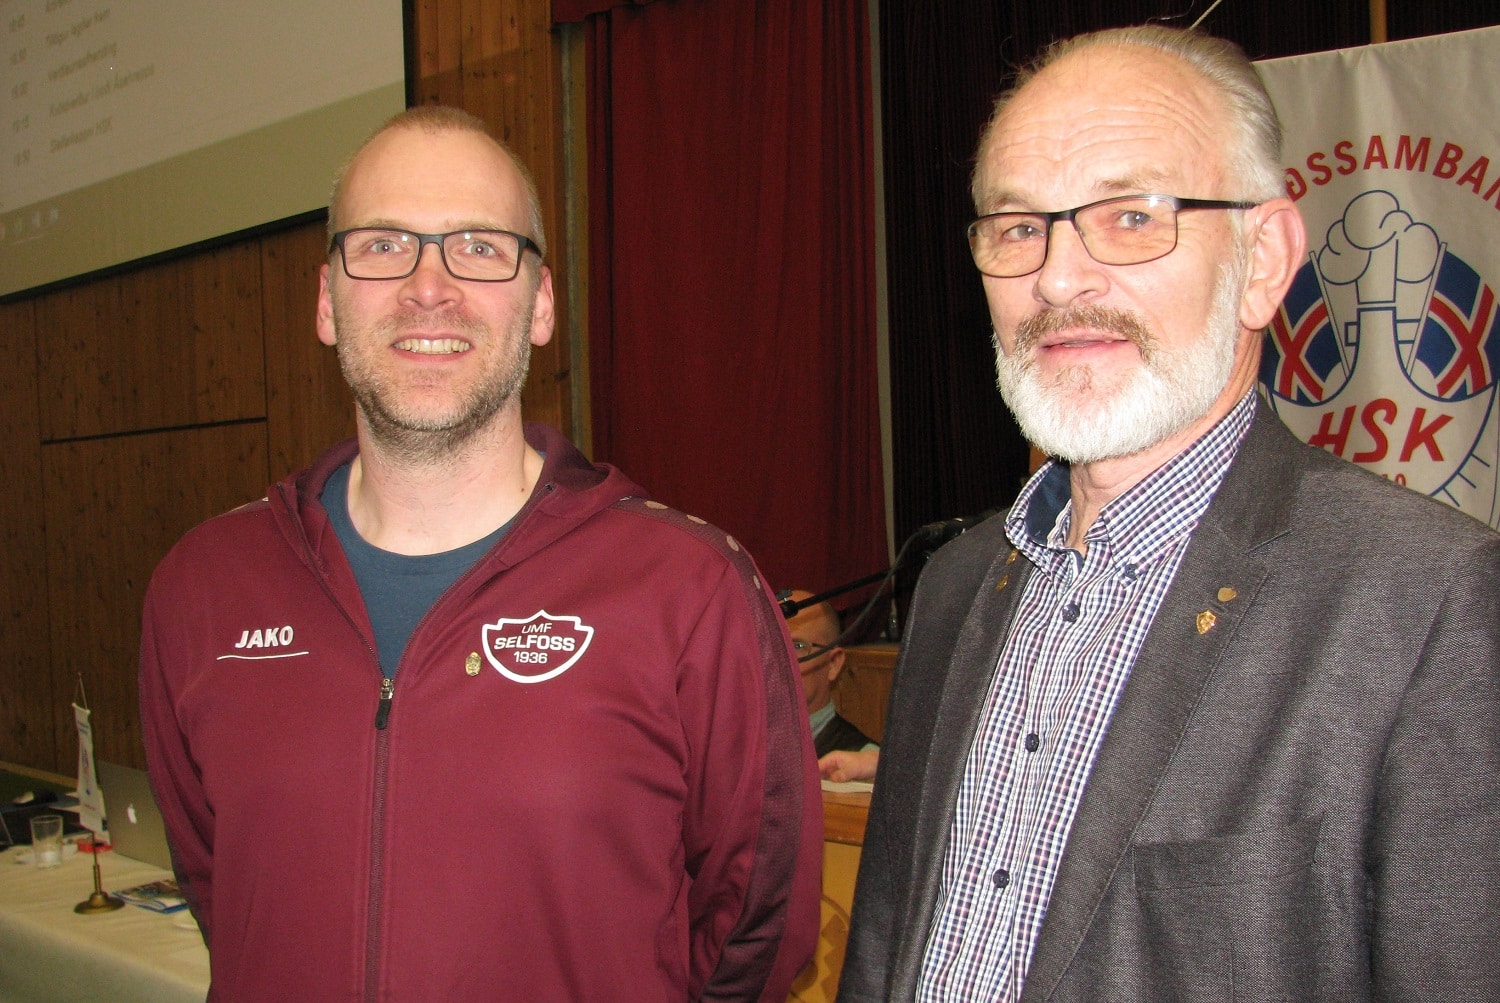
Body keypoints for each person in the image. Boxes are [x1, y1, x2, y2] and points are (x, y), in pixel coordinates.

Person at [839, 25, 1500, 1003]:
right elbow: (882, 948)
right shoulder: (955, 586)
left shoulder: (1428, 599)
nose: (1057, 277)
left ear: (1265, 259)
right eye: (1018, 228)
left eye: (1132, 216)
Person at [139, 106, 821, 1002]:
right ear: (326, 301)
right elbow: (222, 893)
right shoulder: (203, 587)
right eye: (384, 246)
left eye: (478, 247)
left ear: (540, 304)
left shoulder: (690, 590)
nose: (429, 287)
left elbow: (754, 934)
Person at [784, 592, 878, 767]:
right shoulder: (740, 746)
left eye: (797, 646)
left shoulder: (864, 763)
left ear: (834, 663)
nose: (779, 659)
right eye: (769, 645)